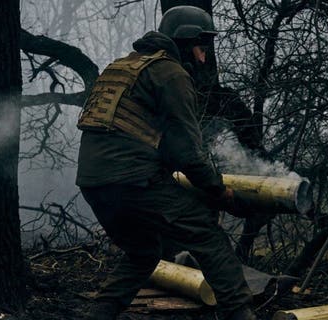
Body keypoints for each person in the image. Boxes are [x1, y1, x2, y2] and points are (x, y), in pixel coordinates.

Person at [75, 6, 256, 320]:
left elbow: (155, 144)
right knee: (206, 235)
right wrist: (218, 191)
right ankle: (241, 314)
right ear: (185, 41)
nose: (203, 58)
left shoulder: (122, 67)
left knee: (143, 250)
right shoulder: (171, 73)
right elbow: (187, 154)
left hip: (93, 183)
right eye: (202, 48)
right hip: (133, 181)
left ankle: (98, 314)